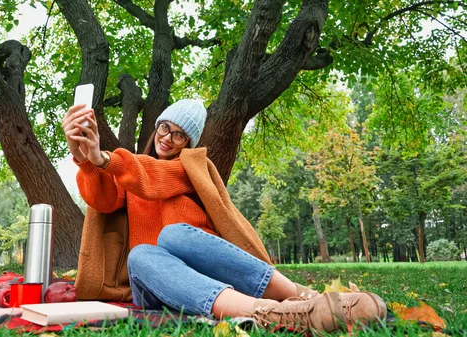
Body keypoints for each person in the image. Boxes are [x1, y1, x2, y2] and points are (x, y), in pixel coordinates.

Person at [62, 99, 386, 334]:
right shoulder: (128, 174)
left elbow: (154, 176)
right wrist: (87, 160)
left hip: (215, 278)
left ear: (189, 143)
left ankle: (304, 299)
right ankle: (272, 312)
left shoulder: (189, 168)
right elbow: (101, 200)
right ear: (156, 125)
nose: (167, 137)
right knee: (143, 253)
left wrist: (105, 158)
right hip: (158, 282)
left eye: (179, 134)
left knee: (173, 234)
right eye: (165, 127)